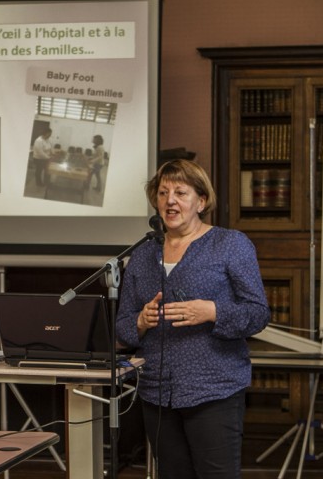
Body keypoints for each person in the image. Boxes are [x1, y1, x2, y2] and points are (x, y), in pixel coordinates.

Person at [116, 159, 270, 479]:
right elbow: (122, 326)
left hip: (213, 391)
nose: (170, 200)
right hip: (156, 393)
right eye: (163, 192)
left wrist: (212, 312)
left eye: (180, 192)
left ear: (201, 201)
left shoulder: (230, 244)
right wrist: (141, 322)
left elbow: (257, 313)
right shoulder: (143, 254)